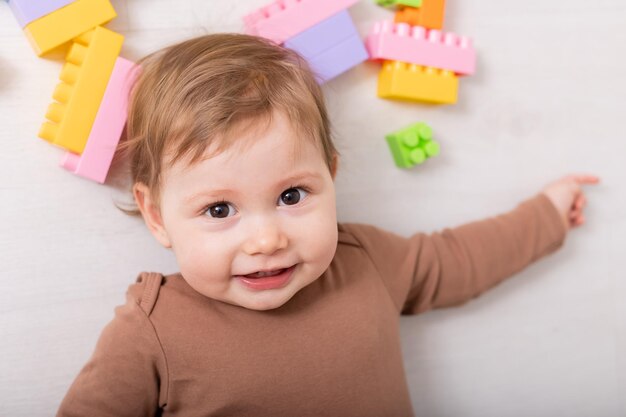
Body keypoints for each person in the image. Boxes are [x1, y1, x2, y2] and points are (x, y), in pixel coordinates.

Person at [56, 33, 598, 417]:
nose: (267, 239)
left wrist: (547, 214)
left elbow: (458, 259)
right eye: (219, 210)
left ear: (331, 177)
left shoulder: (364, 260)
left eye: (292, 195)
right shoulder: (149, 333)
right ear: (157, 216)